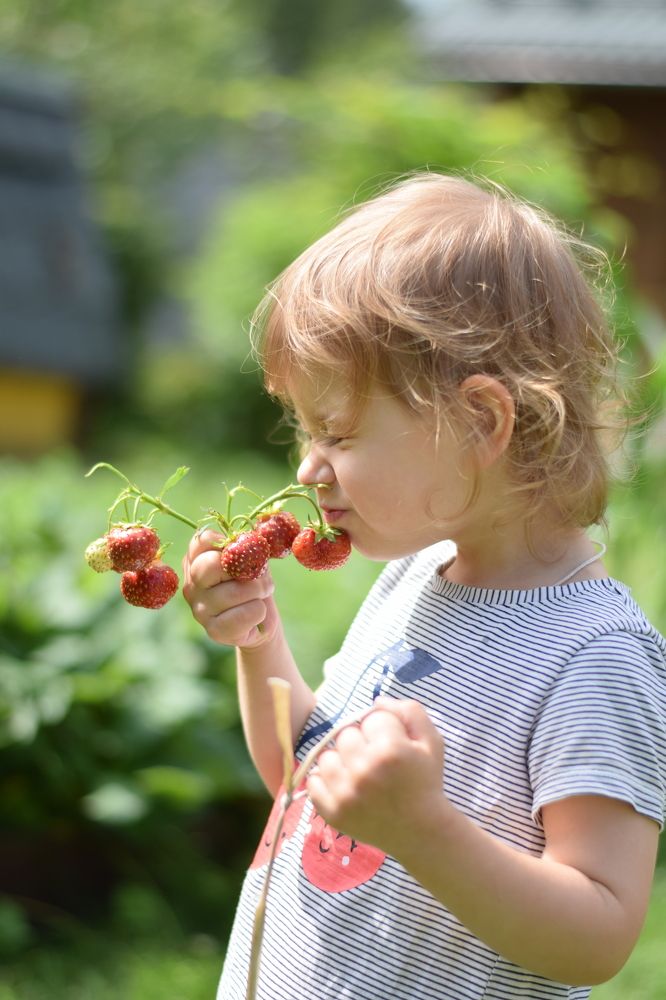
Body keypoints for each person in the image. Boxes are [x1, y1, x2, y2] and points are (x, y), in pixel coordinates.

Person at [182, 172, 666, 1000]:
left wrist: (422, 829)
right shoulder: (414, 581)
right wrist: (255, 637)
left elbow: (598, 934)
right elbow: (312, 786)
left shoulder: (594, 658)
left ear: (480, 422)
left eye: (337, 430)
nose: (307, 467)